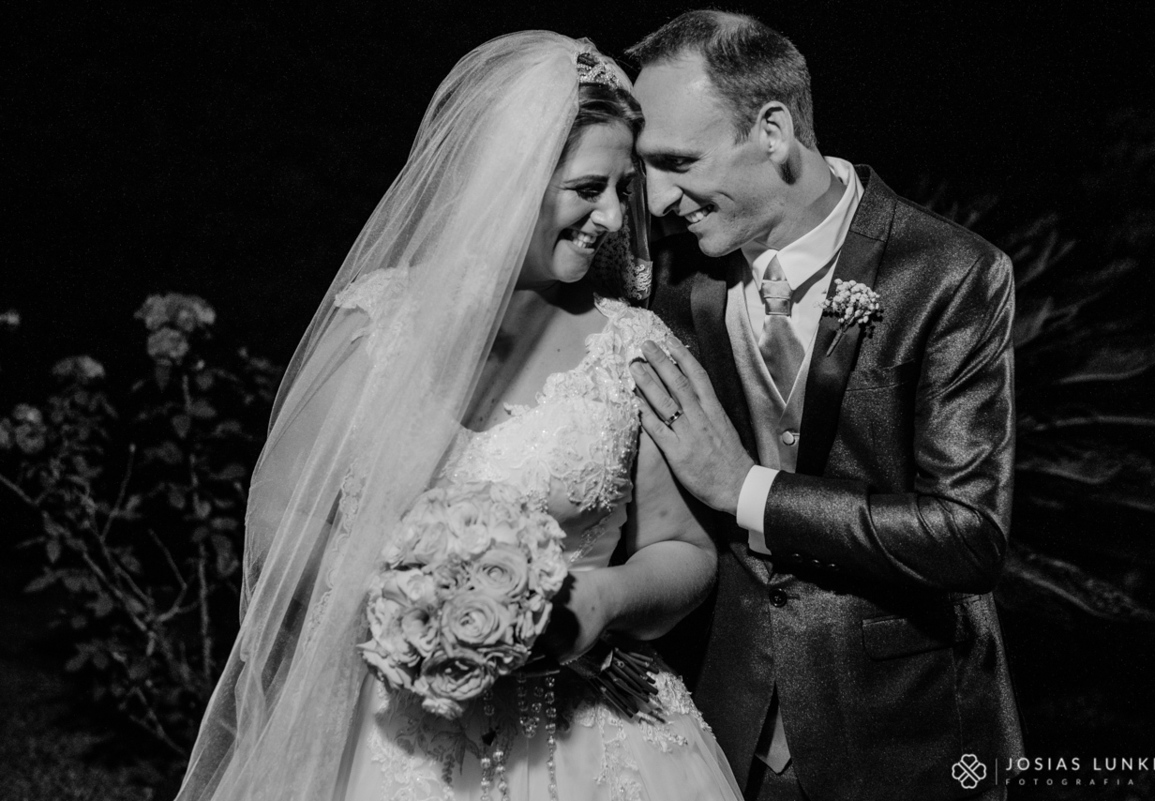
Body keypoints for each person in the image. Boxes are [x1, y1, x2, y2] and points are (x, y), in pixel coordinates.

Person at [174, 32, 742, 801]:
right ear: (509, 182)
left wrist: (600, 602)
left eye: (623, 187)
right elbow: (282, 525)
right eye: (587, 188)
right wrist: (415, 616)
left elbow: (685, 551)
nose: (612, 215)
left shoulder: (633, 346)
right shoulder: (376, 325)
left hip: (580, 736)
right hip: (383, 732)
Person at [625, 11, 1024, 801]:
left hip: (904, 733)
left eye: (676, 161)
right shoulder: (677, 290)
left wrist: (745, 489)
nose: (657, 197)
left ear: (772, 129)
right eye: (645, 167)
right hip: (719, 730)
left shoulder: (948, 272)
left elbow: (969, 535)